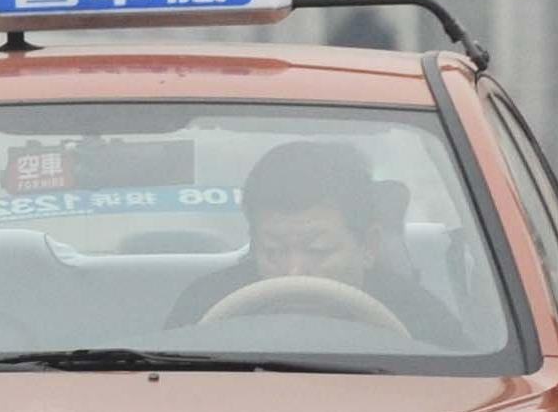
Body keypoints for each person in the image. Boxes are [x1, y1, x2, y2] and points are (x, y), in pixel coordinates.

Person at [166, 138, 464, 345]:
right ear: (253, 243)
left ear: (369, 246)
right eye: (273, 251)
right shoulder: (205, 312)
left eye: (318, 250)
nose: (294, 271)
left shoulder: (421, 322)